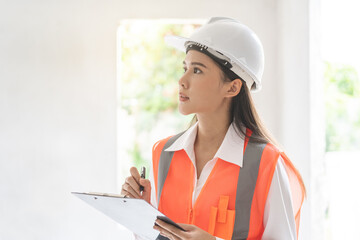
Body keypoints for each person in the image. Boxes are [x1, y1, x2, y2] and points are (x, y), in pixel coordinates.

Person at [121, 17, 306, 240]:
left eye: (197, 71)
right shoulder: (164, 153)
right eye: (185, 68)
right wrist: (140, 214)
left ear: (233, 87)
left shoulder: (266, 163)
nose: (182, 80)